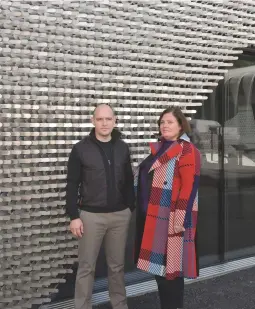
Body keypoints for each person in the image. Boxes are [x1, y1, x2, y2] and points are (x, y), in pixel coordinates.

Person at [66, 104, 135, 309]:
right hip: (90, 217)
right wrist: (73, 216)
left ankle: (120, 305)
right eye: (100, 119)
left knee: (117, 267)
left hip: (119, 216)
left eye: (108, 119)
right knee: (87, 267)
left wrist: (129, 208)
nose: (104, 123)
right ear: (93, 121)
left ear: (115, 121)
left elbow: (129, 180)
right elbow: (72, 184)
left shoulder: (123, 147)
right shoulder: (80, 148)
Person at [134, 106, 201, 309]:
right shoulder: (160, 148)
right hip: (152, 216)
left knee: (172, 271)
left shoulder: (187, 150)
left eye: (170, 122)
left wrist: (181, 219)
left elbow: (190, 187)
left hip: (172, 218)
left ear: (181, 125)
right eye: (162, 122)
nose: (165, 125)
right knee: (160, 270)